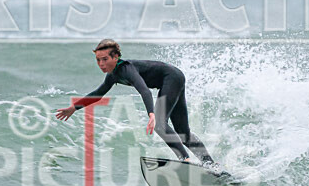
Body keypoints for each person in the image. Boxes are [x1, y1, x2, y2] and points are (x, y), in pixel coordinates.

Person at [56, 39, 216, 167]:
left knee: (160, 125)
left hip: (172, 78)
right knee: (182, 131)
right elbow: (98, 94)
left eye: (105, 59)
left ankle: (185, 160)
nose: (101, 64)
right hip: (174, 78)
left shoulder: (126, 69)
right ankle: (210, 164)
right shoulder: (112, 76)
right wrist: (74, 108)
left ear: (116, 57)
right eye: (98, 60)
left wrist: (151, 114)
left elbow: (144, 90)